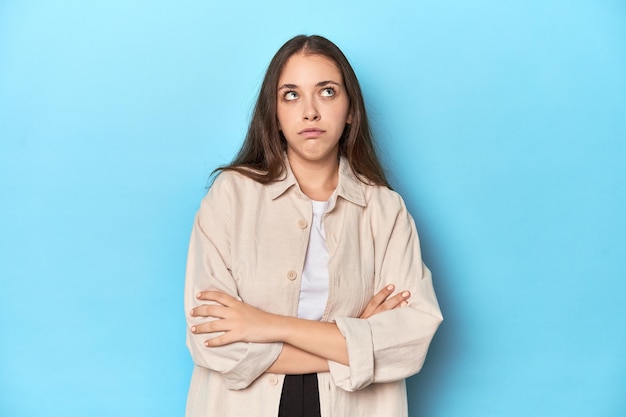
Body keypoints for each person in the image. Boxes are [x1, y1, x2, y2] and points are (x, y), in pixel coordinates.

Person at [184, 34, 442, 417]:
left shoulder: (385, 210)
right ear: (273, 111)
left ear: (350, 109)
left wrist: (266, 325)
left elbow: (410, 339)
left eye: (326, 92)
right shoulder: (231, 196)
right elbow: (212, 341)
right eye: (291, 94)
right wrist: (354, 340)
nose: (309, 112)